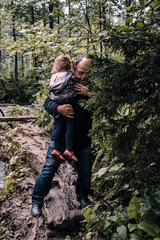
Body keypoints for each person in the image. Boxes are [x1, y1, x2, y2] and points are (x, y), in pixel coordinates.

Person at [31, 57, 94, 217]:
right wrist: (58, 109)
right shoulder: (66, 81)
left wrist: (90, 94)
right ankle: (37, 201)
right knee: (48, 170)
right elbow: (48, 102)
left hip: (83, 137)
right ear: (74, 69)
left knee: (85, 172)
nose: (83, 76)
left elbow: (106, 103)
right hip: (59, 139)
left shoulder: (93, 87)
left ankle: (83, 197)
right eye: (80, 72)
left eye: (87, 73)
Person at [49, 55, 79, 163]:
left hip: (56, 102)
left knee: (58, 127)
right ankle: (69, 150)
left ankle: (56, 150)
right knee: (70, 126)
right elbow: (77, 80)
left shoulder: (53, 77)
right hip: (68, 101)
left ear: (57, 66)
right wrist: (74, 69)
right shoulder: (70, 75)